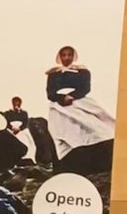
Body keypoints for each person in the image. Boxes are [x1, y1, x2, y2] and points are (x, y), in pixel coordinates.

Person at [46, 46, 115, 174]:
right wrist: (61, 98)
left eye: (69, 55)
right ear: (60, 57)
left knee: (96, 128)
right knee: (65, 133)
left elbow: (86, 88)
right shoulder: (53, 73)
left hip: (79, 101)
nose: (67, 57)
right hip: (59, 106)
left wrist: (73, 96)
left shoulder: (83, 71)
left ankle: (99, 161)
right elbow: (50, 93)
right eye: (64, 55)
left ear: (74, 56)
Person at [0, 96, 36, 164]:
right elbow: (6, 122)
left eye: (18, 102)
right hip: (12, 129)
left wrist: (20, 128)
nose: (16, 103)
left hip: (21, 130)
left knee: (27, 140)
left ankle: (28, 157)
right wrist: (12, 128)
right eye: (15, 102)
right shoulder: (8, 113)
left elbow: (26, 122)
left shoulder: (24, 113)